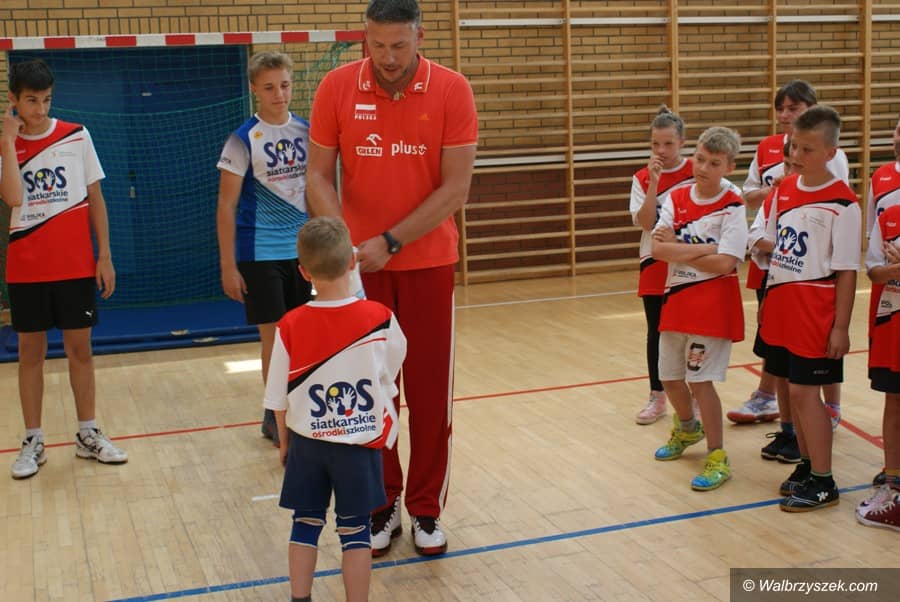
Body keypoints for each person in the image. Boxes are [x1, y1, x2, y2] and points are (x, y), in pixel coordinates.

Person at [306, 0, 477, 556]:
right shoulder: (336, 87)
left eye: (399, 45)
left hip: (427, 267)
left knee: (429, 397)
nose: (387, 57)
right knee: (370, 394)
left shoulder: (452, 90)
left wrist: (391, 241)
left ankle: (426, 510)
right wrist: (342, 241)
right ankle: (382, 507)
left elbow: (455, 189)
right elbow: (317, 174)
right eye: (377, 45)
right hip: (359, 274)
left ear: (419, 37)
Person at [264, 217, 407, 602]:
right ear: (352, 262)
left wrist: (284, 444)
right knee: (356, 532)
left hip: (308, 446)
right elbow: (394, 362)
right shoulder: (379, 317)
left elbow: (277, 396)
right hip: (358, 447)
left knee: (304, 525)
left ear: (303, 271)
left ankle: (300, 598)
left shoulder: (289, 324)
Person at [1, 58, 127, 479]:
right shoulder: (5, 144)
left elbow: (96, 198)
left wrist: (104, 255)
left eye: (46, 100)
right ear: (13, 99)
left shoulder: (77, 135)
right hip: (26, 268)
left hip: (75, 265)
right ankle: (33, 440)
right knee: (30, 355)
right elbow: (13, 197)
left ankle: (87, 433)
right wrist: (7, 141)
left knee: (81, 351)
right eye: (31, 101)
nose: (39, 109)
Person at [757, 106, 860, 512]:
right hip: (782, 306)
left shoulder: (844, 203)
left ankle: (824, 480)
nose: (797, 155)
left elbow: (847, 272)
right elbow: (772, 248)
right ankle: (807, 462)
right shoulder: (784, 189)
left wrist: (841, 327)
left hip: (816, 313)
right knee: (790, 388)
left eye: (808, 149)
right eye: (794, 147)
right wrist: (768, 301)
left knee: (805, 392)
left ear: (831, 152)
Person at [731, 80, 850, 429]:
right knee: (776, 338)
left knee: (819, 341)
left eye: (793, 108)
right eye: (780, 108)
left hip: (812, 265)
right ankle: (770, 399)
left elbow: (832, 203)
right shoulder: (767, 147)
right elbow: (749, 196)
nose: (785, 115)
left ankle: (830, 405)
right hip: (775, 257)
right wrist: (776, 189)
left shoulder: (831, 157)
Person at [216, 51, 312, 447]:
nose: (279, 94)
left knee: (303, 335)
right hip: (259, 252)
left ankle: (300, 408)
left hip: (303, 252)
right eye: (270, 87)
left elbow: (318, 188)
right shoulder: (242, 139)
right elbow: (226, 205)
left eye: (285, 85)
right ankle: (275, 414)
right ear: (254, 88)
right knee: (274, 336)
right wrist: (228, 265)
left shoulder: (306, 131)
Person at [649, 126, 747, 491]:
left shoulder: (733, 205)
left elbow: (725, 263)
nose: (704, 168)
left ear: (729, 167)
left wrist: (679, 246)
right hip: (676, 302)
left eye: (714, 163)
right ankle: (688, 429)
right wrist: (705, 248)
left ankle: (718, 455)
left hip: (713, 307)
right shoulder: (676, 198)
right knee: (670, 377)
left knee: (700, 382)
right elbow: (658, 250)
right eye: (701, 159)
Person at [629, 107, 694, 425]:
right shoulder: (642, 177)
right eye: (656, 144)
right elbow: (645, 223)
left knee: (691, 332)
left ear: (682, 142)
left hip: (691, 262)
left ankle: (694, 395)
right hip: (654, 260)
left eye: (668, 143)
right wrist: (654, 183)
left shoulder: (698, 170)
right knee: (656, 330)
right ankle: (658, 397)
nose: (661, 150)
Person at [748, 140, 801, 465]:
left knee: (803, 376)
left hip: (808, 297)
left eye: (796, 165)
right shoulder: (776, 196)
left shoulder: (827, 202)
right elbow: (755, 236)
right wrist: (789, 248)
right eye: (786, 165)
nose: (788, 172)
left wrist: (779, 247)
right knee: (779, 368)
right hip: (775, 290)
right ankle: (788, 430)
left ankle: (808, 435)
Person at [855, 203, 900, 531]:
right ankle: (894, 485)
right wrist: (893, 271)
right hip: (892, 326)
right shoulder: (890, 216)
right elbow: (873, 272)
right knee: (894, 401)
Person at [865, 116, 900, 487]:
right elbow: (873, 264)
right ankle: (894, 467)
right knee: (893, 393)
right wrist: (889, 271)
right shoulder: (882, 181)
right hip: (889, 305)